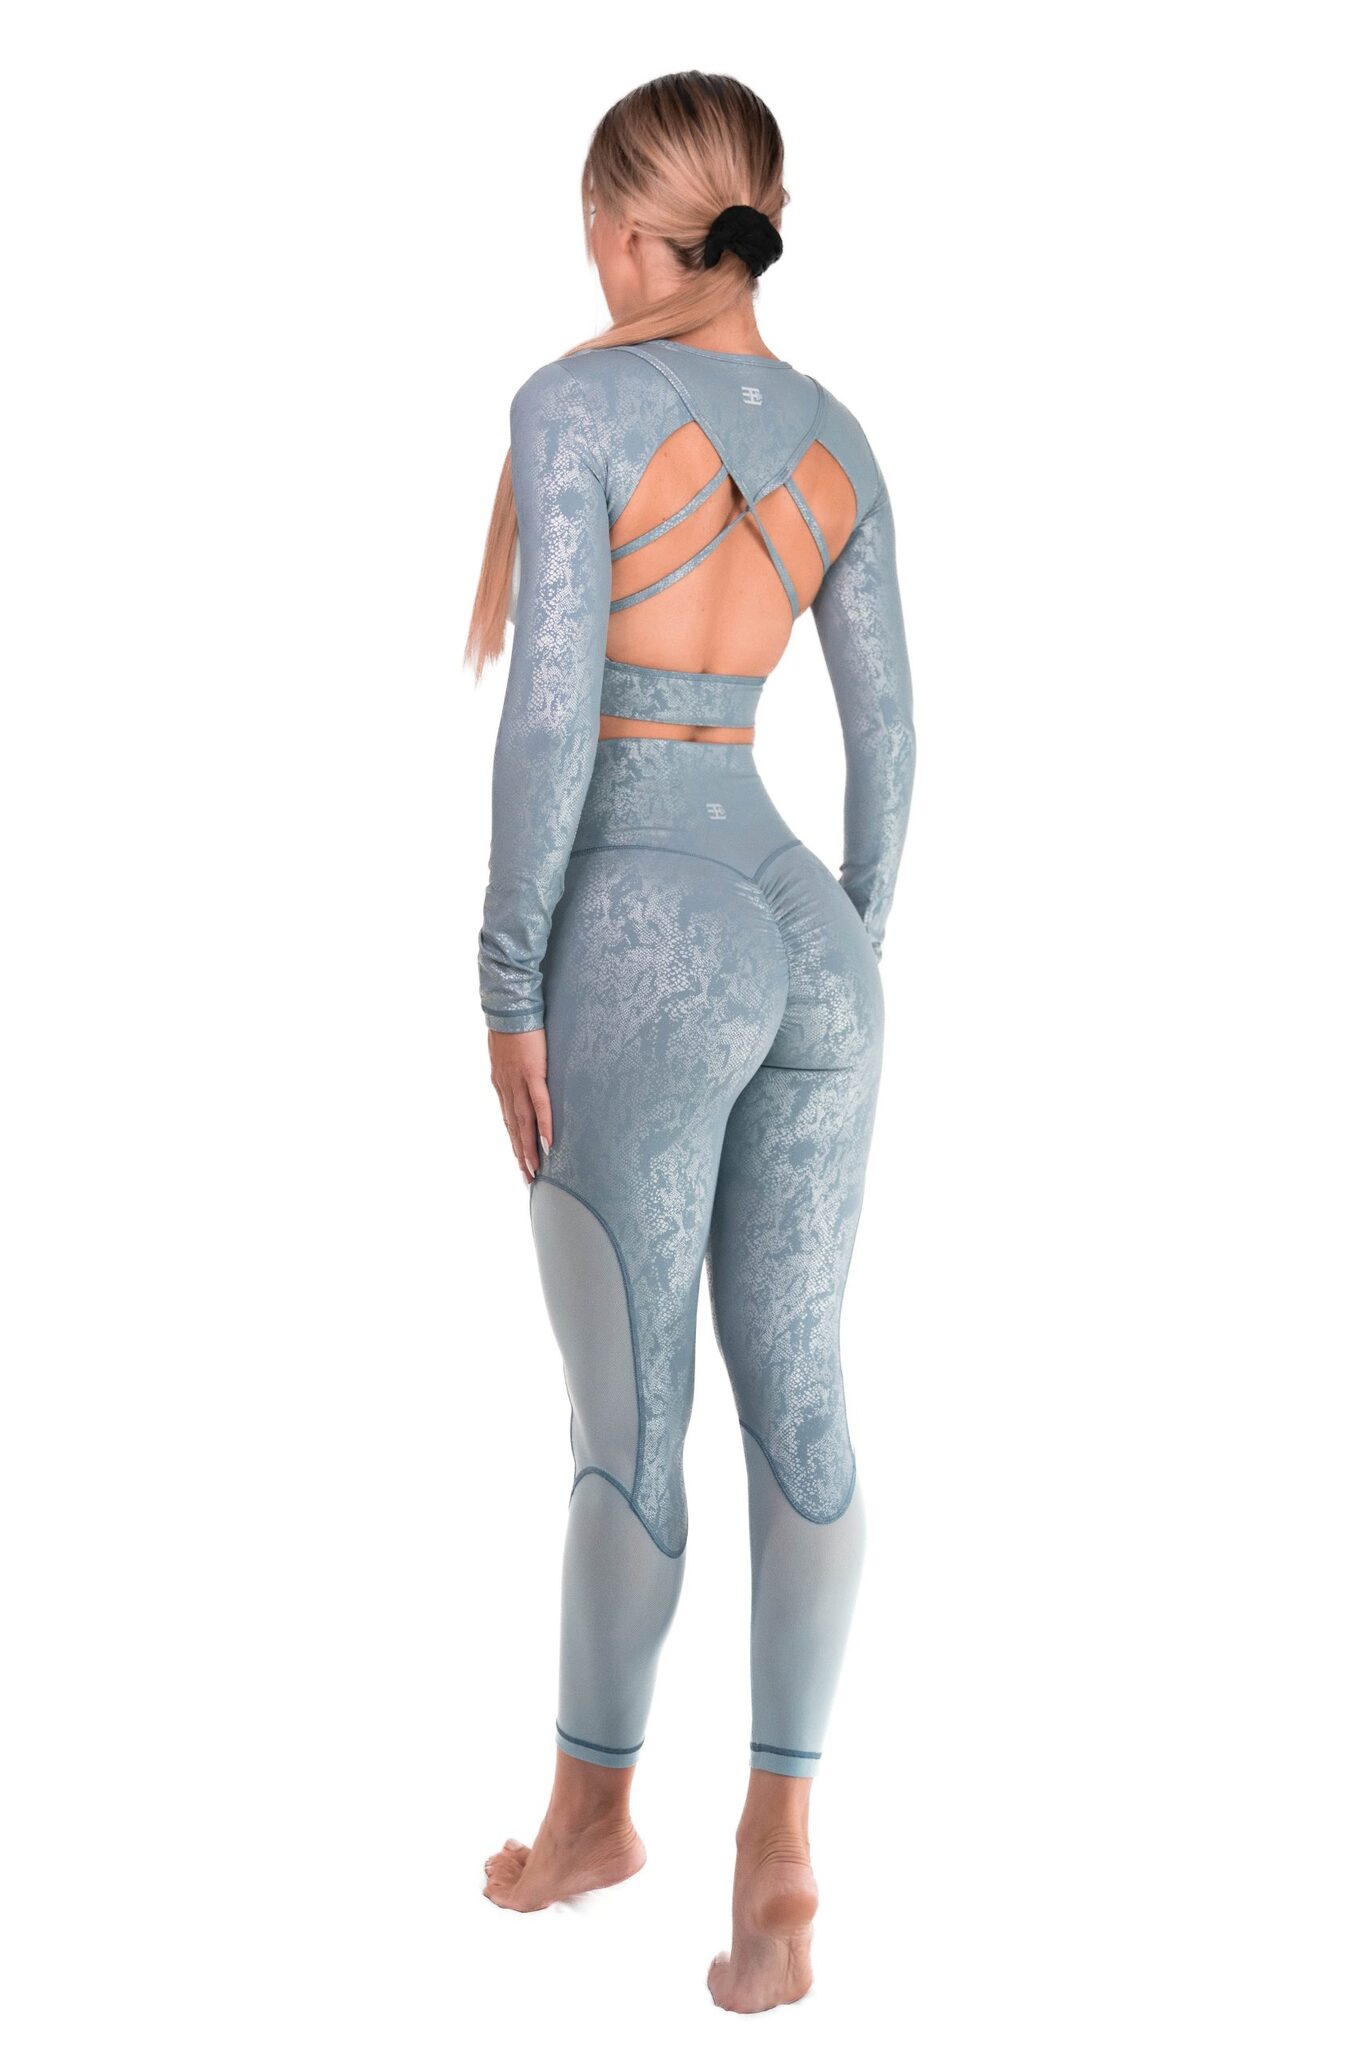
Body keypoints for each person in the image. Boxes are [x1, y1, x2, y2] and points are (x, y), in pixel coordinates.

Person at [465, 71, 916, 2013]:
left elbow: (548, 717)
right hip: (806, 925)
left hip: (642, 930)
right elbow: (890, 744)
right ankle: (780, 1850)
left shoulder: (571, 410)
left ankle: (590, 1816)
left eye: (593, 230)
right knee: (798, 1395)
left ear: (630, 235)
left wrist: (508, 981)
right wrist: (846, 956)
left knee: (626, 1420)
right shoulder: (837, 445)